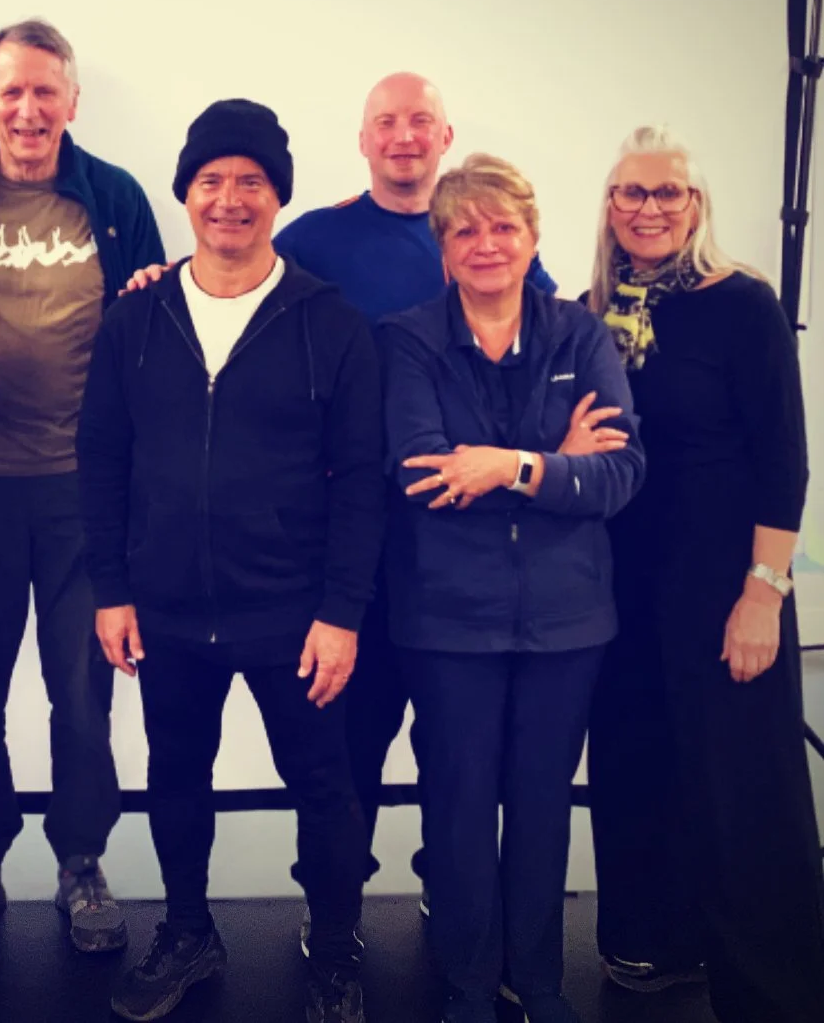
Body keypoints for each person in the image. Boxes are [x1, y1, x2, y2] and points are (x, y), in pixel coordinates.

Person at [122, 74, 557, 921]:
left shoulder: (487, 240)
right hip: (343, 542)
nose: (403, 137)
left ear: (444, 134)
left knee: (453, 741)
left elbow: (540, 353)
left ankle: (454, 903)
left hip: (459, 547)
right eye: (385, 123)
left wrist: (550, 453)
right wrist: (157, 280)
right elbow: (230, 272)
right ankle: (336, 923)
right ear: (361, 140)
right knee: (344, 744)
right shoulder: (319, 237)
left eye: (419, 122)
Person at [79, 99, 380, 1023]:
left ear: (277, 196)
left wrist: (341, 612)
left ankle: (332, 947)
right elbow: (102, 458)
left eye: (250, 180)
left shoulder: (328, 323)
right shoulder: (137, 319)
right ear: (185, 195)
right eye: (210, 181)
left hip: (292, 612)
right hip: (166, 606)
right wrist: (110, 590)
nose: (229, 199)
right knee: (175, 776)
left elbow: (362, 478)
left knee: (325, 789)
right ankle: (186, 931)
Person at [0, 18, 165, 951]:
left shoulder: (113, 195)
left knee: (81, 693)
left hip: (82, 490)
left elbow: (150, 324)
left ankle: (80, 860)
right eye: (9, 91)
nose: (27, 109)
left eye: (44, 91)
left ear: (71, 101)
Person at [380, 154, 645, 1023]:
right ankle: (463, 985)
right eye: (465, 229)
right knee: (456, 813)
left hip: (568, 621)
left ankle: (535, 982)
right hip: (446, 621)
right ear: (443, 246)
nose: (486, 244)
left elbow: (617, 478)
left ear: (532, 239)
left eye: (503, 227)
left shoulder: (578, 334)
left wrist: (509, 464)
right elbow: (423, 474)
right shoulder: (409, 339)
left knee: (539, 810)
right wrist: (556, 456)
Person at [584, 126, 824, 1021]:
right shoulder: (589, 307)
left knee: (741, 789)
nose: (648, 208)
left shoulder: (743, 304)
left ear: (696, 206)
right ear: (608, 208)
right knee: (634, 765)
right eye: (631, 193)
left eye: (667, 193)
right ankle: (651, 945)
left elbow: (782, 460)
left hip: (726, 588)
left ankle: (772, 989)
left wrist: (763, 595)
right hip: (620, 590)